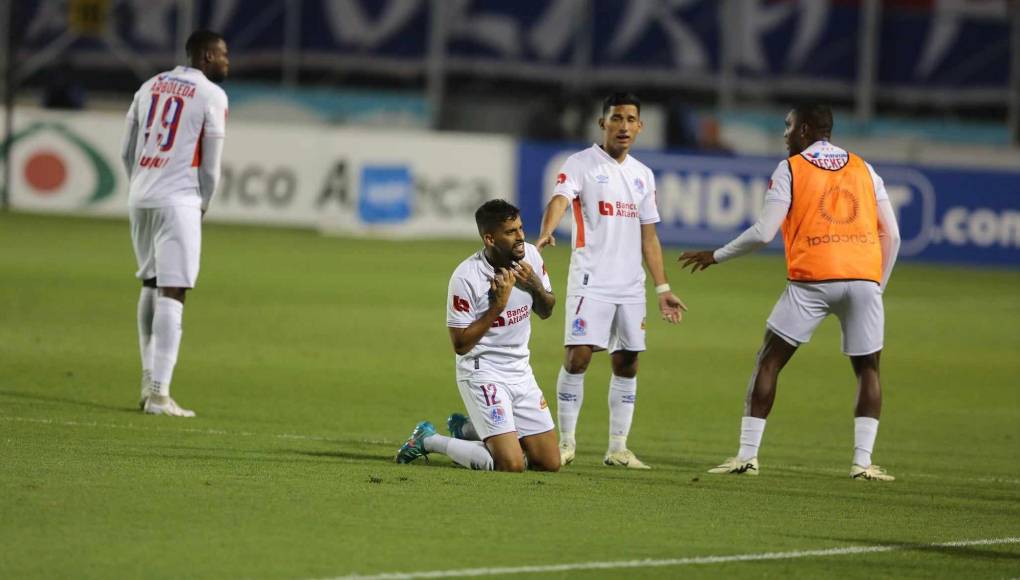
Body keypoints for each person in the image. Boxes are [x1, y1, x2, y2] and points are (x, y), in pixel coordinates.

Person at [679, 103, 901, 481]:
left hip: (811, 280)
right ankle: (862, 464)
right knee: (868, 369)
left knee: (769, 362)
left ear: (806, 130)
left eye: (788, 126)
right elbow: (892, 235)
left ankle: (747, 457)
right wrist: (875, 284)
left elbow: (764, 232)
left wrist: (715, 255)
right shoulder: (865, 168)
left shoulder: (791, 169)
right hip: (864, 279)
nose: (784, 134)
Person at [536, 92, 686, 469]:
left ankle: (618, 448)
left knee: (628, 362)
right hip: (592, 278)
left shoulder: (642, 175)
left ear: (640, 126)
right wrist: (547, 231)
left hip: (630, 285)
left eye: (630, 119)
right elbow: (559, 199)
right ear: (602, 123)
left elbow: (649, 235)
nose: (623, 126)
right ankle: (567, 442)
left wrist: (663, 287)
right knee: (579, 356)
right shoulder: (581, 164)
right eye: (616, 118)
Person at [395, 200, 560, 472]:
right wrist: (497, 307)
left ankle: (470, 430)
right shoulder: (466, 277)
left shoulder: (531, 257)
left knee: (549, 463)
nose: (520, 237)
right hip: (482, 371)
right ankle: (429, 440)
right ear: (489, 238)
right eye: (511, 232)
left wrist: (536, 287)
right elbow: (460, 344)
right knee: (511, 465)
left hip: (520, 370)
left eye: (520, 228)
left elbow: (547, 311)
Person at [120, 30, 230, 417]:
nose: (226, 62)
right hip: (179, 198)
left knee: (150, 282)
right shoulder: (212, 95)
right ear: (204, 57)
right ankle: (160, 394)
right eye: (221, 55)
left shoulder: (148, 85)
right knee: (174, 290)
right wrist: (203, 202)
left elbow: (126, 150)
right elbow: (212, 166)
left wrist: (139, 184)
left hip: (141, 195)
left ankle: (148, 381)